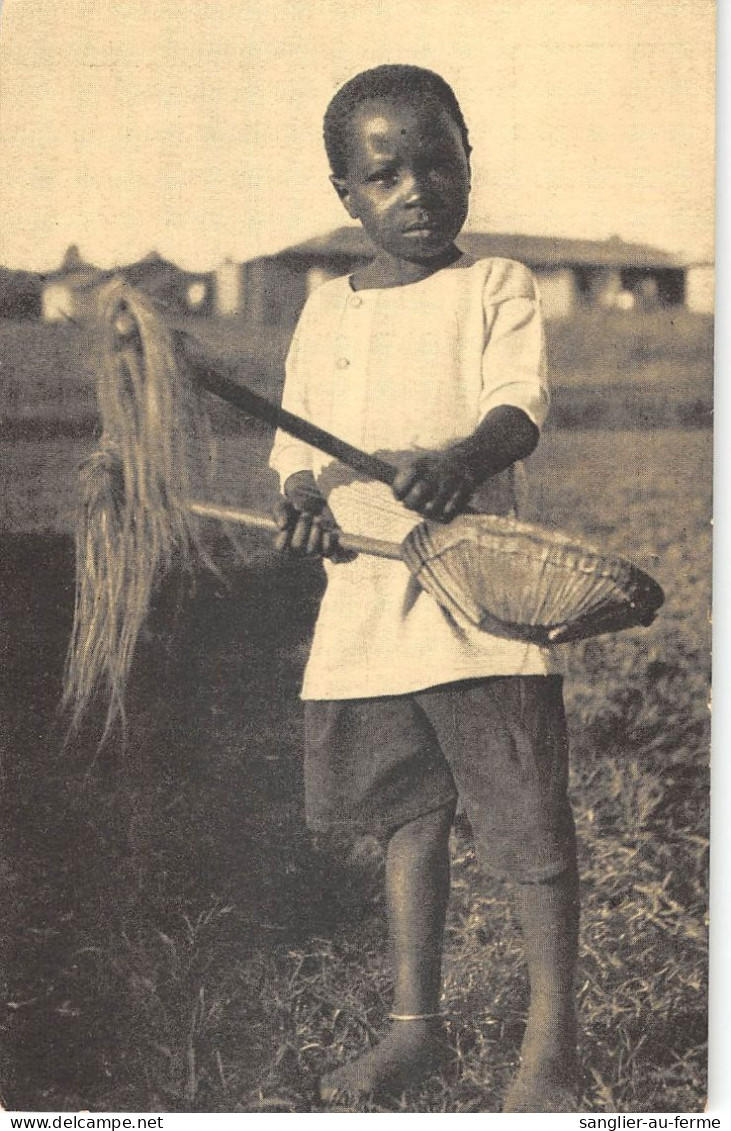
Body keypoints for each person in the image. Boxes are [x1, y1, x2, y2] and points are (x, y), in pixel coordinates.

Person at [268, 64, 579, 1113]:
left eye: (438, 161)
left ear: (467, 164)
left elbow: (515, 409)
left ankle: (551, 1043)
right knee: (407, 817)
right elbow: (291, 455)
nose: (417, 189)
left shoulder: (495, 286)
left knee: (528, 820)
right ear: (344, 194)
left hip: (477, 595)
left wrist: (458, 460)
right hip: (365, 601)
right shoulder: (322, 310)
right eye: (384, 172)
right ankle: (415, 1033)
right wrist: (305, 497)